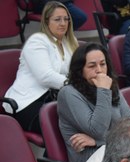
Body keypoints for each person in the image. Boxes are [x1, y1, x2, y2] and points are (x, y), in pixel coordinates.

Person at [3, 1, 79, 134]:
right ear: (46, 21)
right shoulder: (37, 41)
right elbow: (46, 77)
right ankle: (54, 155)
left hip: (53, 99)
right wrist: (77, 84)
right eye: (57, 19)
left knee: (85, 119)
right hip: (27, 103)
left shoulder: (70, 43)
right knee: (69, 127)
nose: (63, 23)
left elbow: (78, 71)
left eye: (66, 19)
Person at [57, 42, 130, 162]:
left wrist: (97, 141)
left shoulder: (110, 86)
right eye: (92, 66)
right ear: (80, 70)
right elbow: (97, 130)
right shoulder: (68, 93)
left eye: (103, 64)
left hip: (119, 151)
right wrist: (103, 90)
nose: (99, 70)